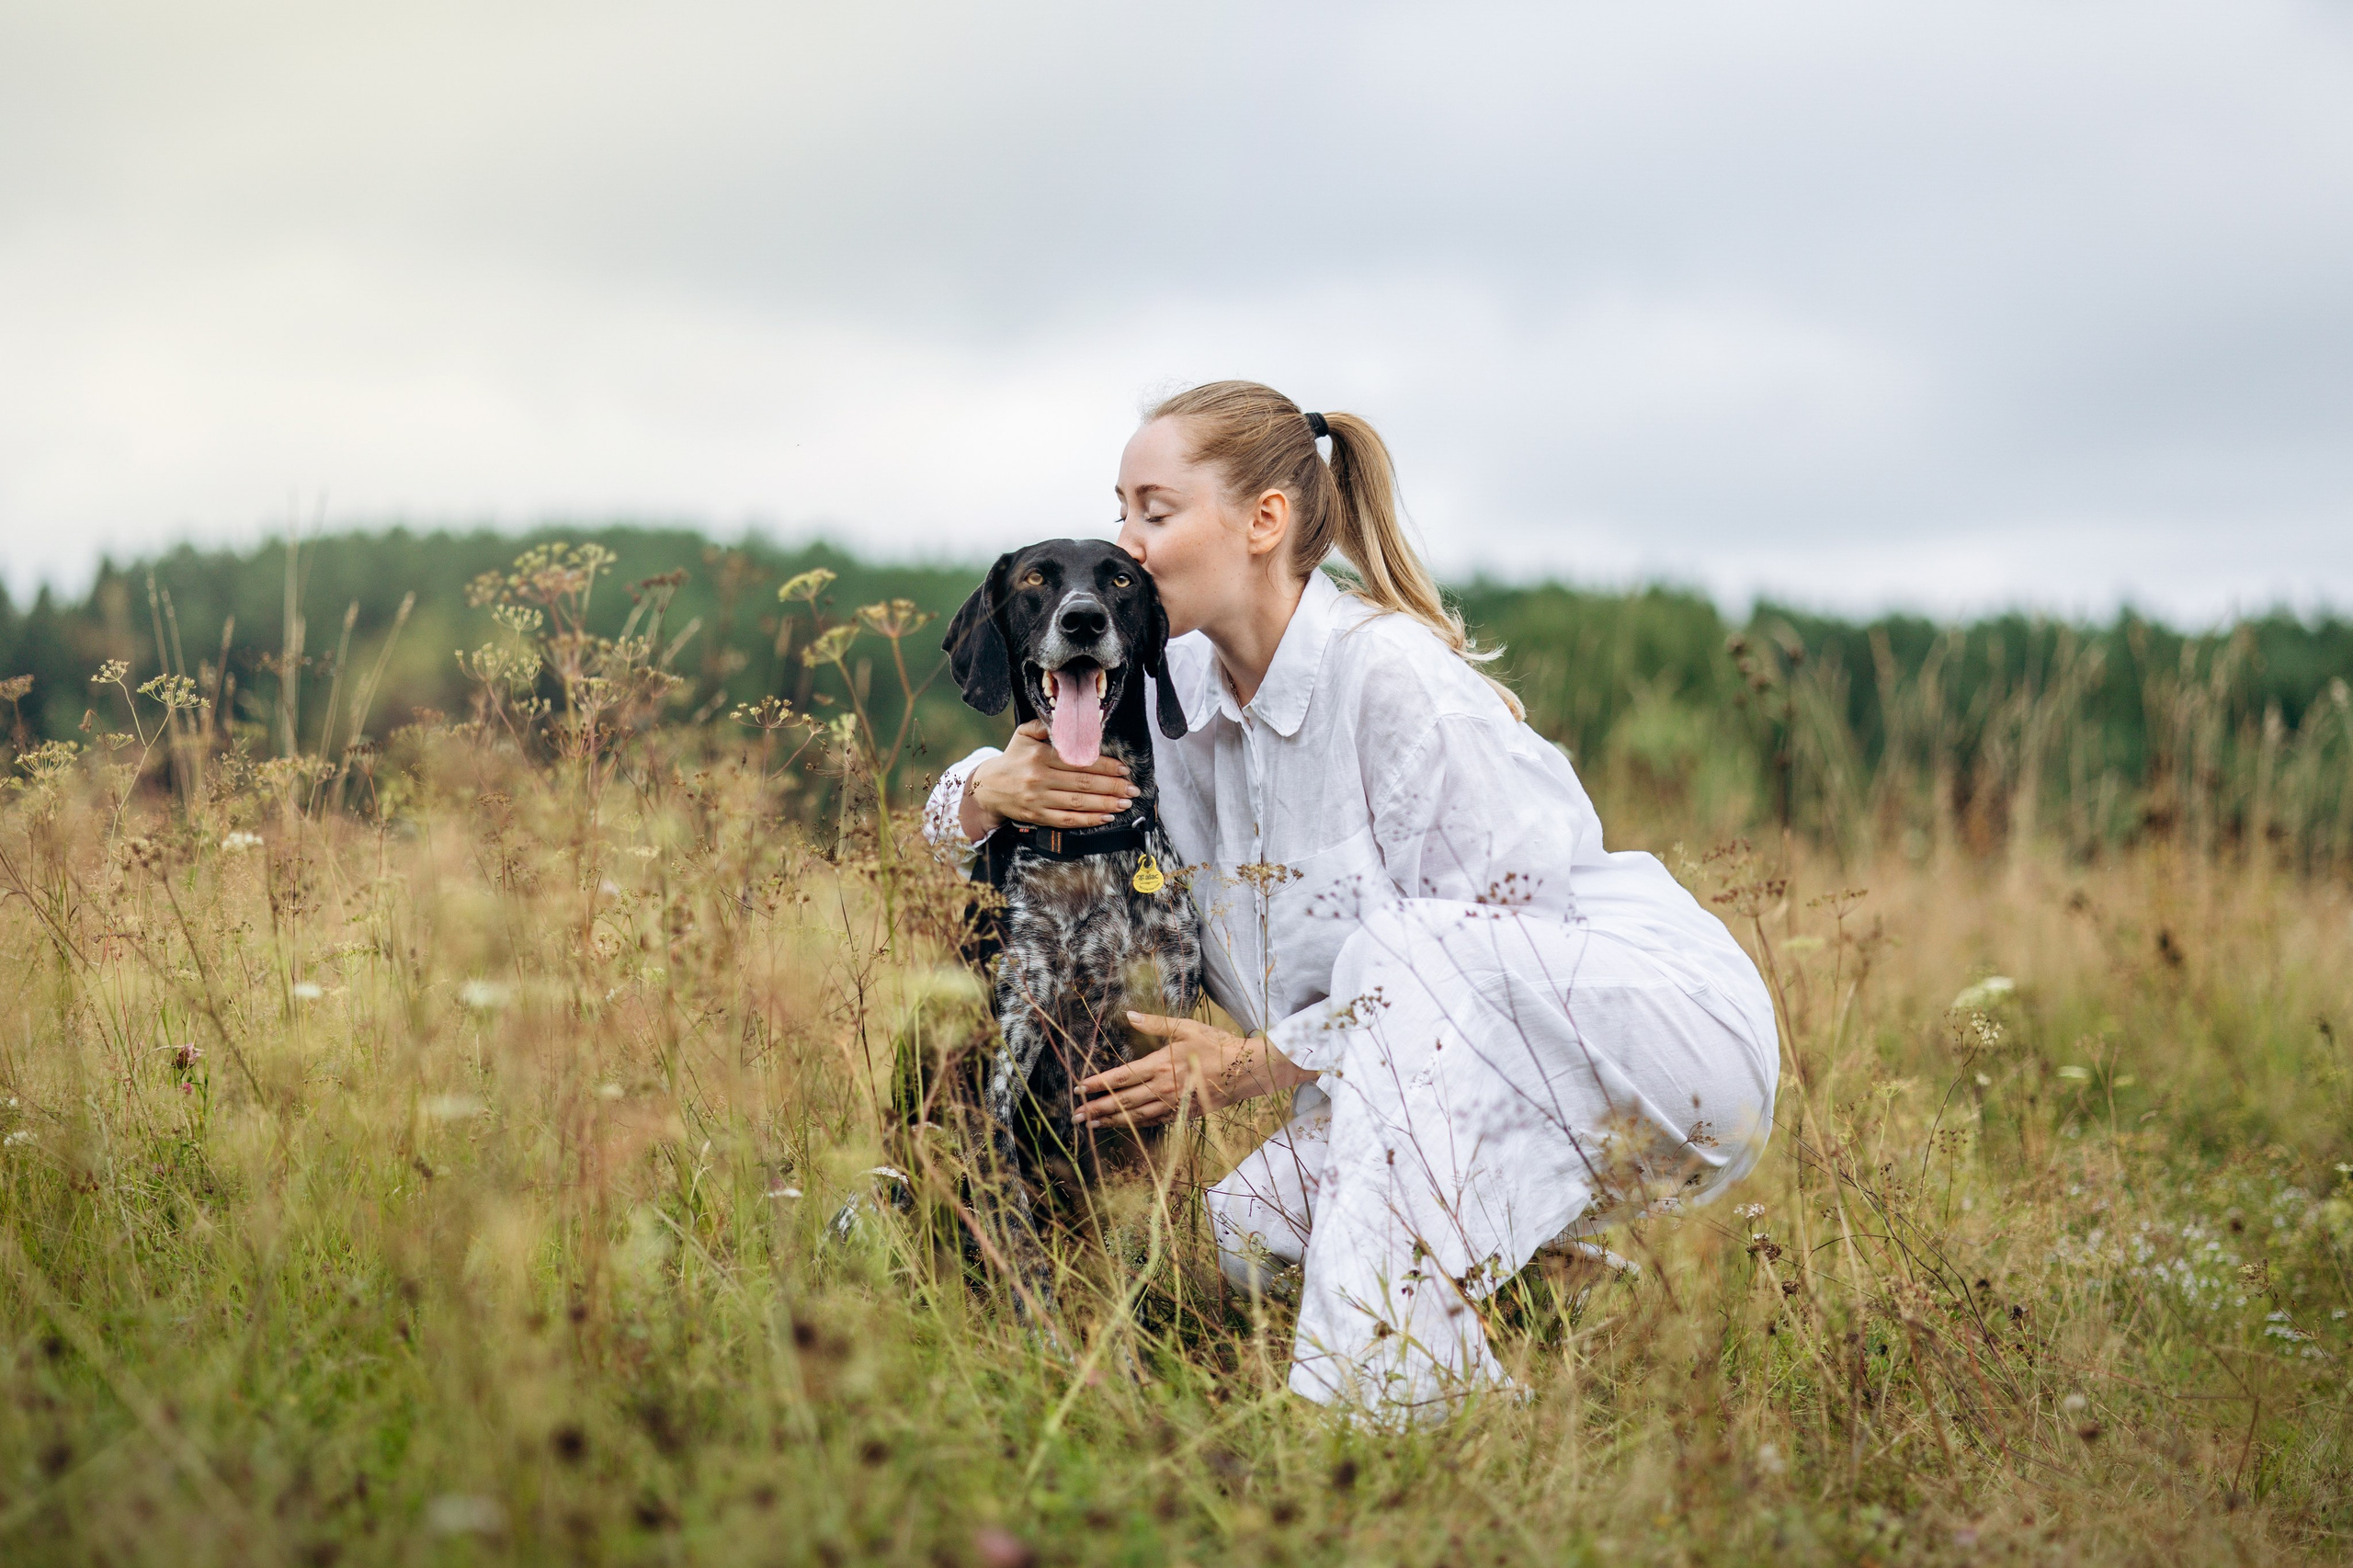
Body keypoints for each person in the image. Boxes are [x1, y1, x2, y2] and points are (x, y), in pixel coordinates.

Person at [922, 381, 1778, 1420]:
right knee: (1244, 1239)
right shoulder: (1166, 684)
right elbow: (1025, 743)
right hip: (1434, 1081)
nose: (1125, 544)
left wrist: (1249, 1064)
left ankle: (1394, 1425)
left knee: (1406, 949)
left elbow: (1505, 951)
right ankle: (1548, 1290)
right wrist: (983, 789)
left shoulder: (1394, 680)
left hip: (1650, 1039)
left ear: (1263, 521)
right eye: (1119, 510)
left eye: (1154, 511)